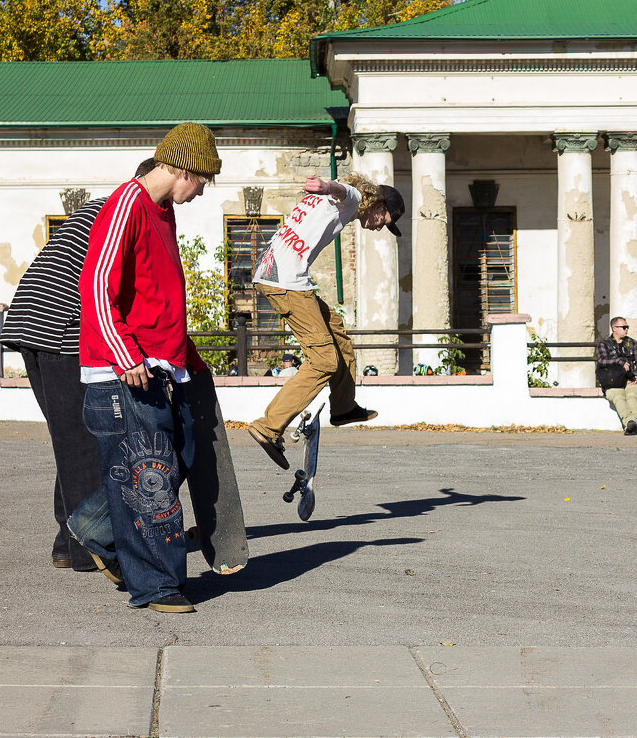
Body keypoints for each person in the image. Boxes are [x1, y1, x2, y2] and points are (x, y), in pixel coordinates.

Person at [77, 121, 221, 614]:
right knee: (149, 475)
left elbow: (160, 298)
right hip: (127, 372)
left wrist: (189, 362)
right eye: (201, 180)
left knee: (180, 454)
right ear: (182, 168)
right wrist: (125, 356)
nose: (201, 191)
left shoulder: (162, 212)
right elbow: (96, 286)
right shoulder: (126, 204)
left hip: (164, 367)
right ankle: (157, 584)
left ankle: (95, 526)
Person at [246, 174, 405, 469]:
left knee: (336, 331)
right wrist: (326, 186)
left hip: (279, 274)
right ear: (378, 204)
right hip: (285, 281)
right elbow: (343, 190)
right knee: (323, 361)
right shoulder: (355, 197)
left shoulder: (339, 197)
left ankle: (344, 407)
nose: (381, 226)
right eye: (384, 218)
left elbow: (338, 188)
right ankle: (269, 426)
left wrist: (327, 187)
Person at [0, 195, 108, 572]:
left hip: (30, 322)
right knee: (83, 441)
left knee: (69, 440)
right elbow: (111, 286)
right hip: (60, 328)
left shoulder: (100, 207)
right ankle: (86, 551)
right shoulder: (128, 212)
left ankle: (66, 540)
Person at [596, 316, 637, 435]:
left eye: (627, 327)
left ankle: (631, 424)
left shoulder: (633, 343)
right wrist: (619, 361)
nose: (626, 329)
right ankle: (630, 423)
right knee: (618, 396)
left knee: (632, 395)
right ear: (614, 328)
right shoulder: (604, 345)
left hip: (630, 378)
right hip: (613, 380)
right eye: (623, 327)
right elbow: (601, 361)